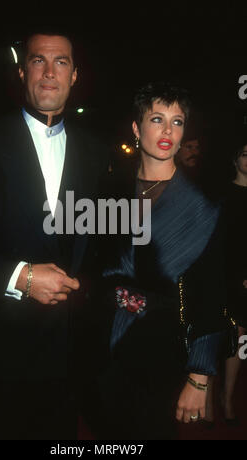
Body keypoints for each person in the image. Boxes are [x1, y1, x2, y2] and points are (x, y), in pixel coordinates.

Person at [0, 29, 108, 439]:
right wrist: (20, 275)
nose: (50, 73)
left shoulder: (96, 153)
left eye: (62, 62)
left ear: (75, 76)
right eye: (39, 60)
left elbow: (102, 245)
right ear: (23, 72)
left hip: (68, 357)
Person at [84, 82, 234, 440]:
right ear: (137, 129)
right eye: (157, 119)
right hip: (98, 343)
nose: (168, 131)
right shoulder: (108, 189)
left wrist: (199, 376)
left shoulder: (203, 208)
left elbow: (211, 295)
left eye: (177, 121)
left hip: (159, 349)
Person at [205, 142, 247, 426]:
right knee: (211, 335)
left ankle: (227, 397)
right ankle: (206, 398)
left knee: (240, 338)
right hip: (219, 273)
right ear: (235, 160)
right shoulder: (220, 194)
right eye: (246, 153)